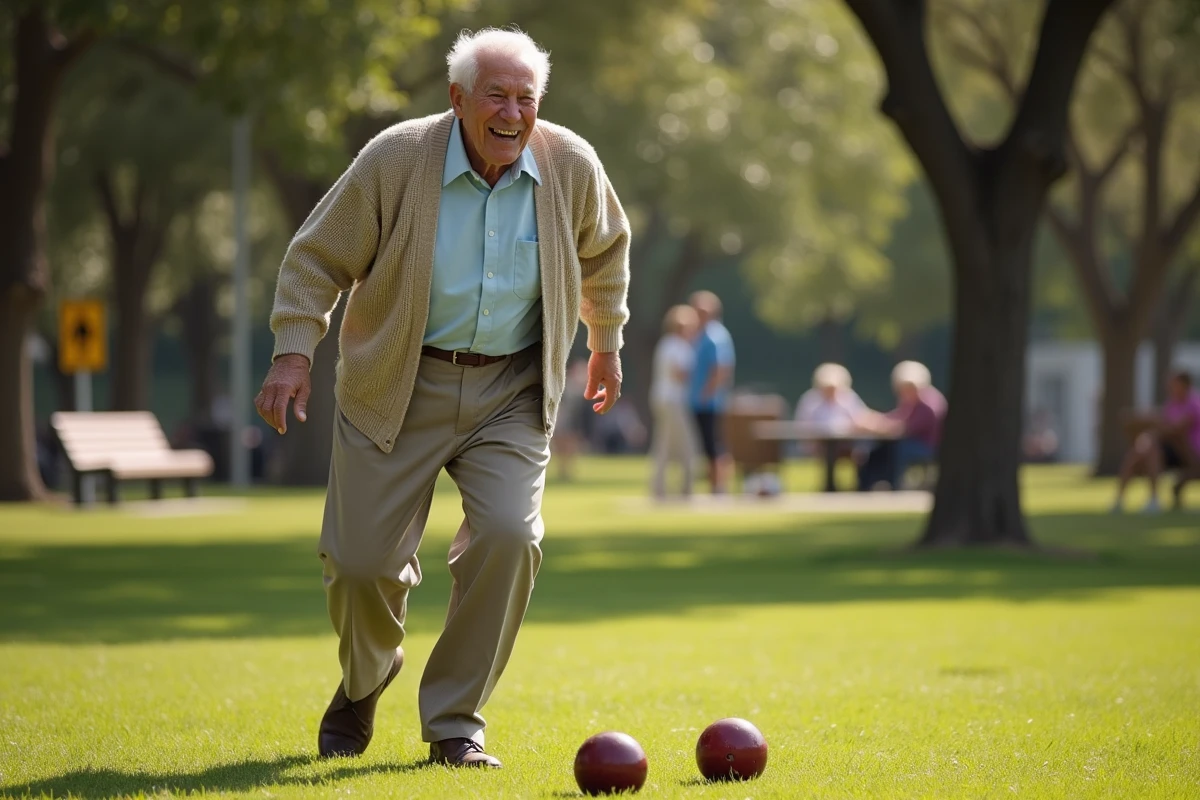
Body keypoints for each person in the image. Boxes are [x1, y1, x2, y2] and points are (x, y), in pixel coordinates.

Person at [254, 28, 630, 768]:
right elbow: (316, 256)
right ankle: (367, 677)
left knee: (510, 539)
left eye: (526, 98)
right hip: (397, 378)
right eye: (496, 95)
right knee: (360, 564)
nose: (513, 112)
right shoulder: (397, 158)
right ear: (457, 99)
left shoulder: (571, 165)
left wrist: (607, 342)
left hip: (511, 391)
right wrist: (292, 352)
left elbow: (605, 250)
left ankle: (456, 721)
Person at [1113, 369, 1200, 513]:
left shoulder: (1194, 404)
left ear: (1185, 385)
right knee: (1140, 451)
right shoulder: (1171, 404)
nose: (1171, 388)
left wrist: (1154, 427)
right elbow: (1165, 425)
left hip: (1190, 453)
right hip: (1171, 450)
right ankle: (1120, 499)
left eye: (1174, 384)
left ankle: (1153, 498)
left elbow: (1177, 430)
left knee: (1150, 445)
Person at [856, 361, 946, 491]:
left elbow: (905, 429)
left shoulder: (928, 404)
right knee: (875, 450)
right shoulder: (914, 400)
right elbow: (898, 417)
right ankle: (868, 485)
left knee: (895, 449)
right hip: (915, 443)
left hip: (927, 446)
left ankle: (894, 485)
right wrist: (876, 419)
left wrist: (878, 426)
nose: (904, 392)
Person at [649, 304, 701, 499]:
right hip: (673, 401)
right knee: (687, 445)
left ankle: (659, 487)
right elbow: (679, 374)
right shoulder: (678, 346)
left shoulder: (666, 344)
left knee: (663, 445)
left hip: (663, 399)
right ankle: (685, 488)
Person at [687, 291, 736, 493]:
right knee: (707, 444)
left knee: (713, 444)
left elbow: (720, 369)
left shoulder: (715, 335)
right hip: (697, 399)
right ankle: (713, 483)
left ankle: (719, 485)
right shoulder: (698, 334)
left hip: (708, 400)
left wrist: (707, 392)